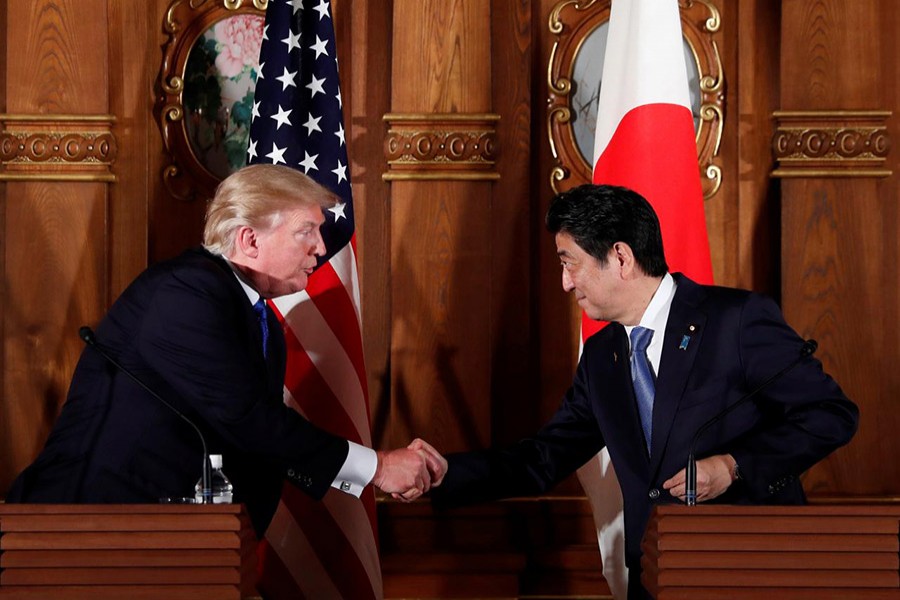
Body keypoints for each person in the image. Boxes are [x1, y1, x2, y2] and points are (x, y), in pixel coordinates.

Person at [428, 184, 859, 600]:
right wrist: (442, 473)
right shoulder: (601, 357)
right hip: (656, 576)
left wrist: (734, 465)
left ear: (620, 257)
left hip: (747, 569)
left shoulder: (736, 320)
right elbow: (544, 457)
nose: (564, 282)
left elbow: (831, 413)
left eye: (569, 263)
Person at [6, 164, 444, 536]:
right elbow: (251, 420)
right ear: (249, 241)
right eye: (306, 231)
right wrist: (379, 467)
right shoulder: (188, 292)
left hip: (180, 536)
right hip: (87, 529)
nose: (321, 247)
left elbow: (248, 439)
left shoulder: (254, 312)